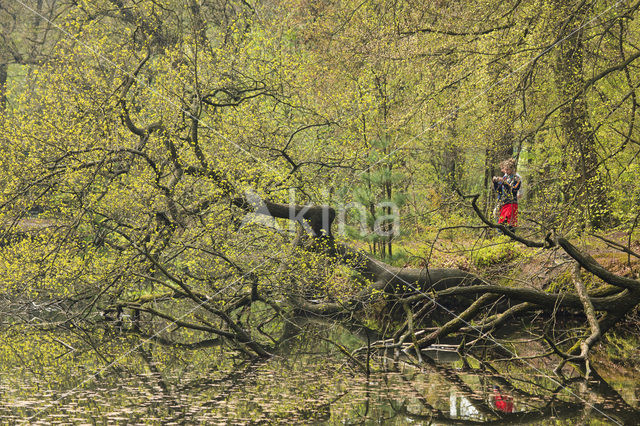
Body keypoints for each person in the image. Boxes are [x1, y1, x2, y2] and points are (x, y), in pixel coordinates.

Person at [492, 158, 521, 233]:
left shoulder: (517, 178)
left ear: (512, 169)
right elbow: (499, 191)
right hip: (503, 203)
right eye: (505, 169)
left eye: (508, 169)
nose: (506, 171)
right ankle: (502, 240)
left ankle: (511, 241)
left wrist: (504, 182)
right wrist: (495, 183)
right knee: (501, 223)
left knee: (510, 224)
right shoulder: (505, 177)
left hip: (512, 203)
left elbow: (514, 189)